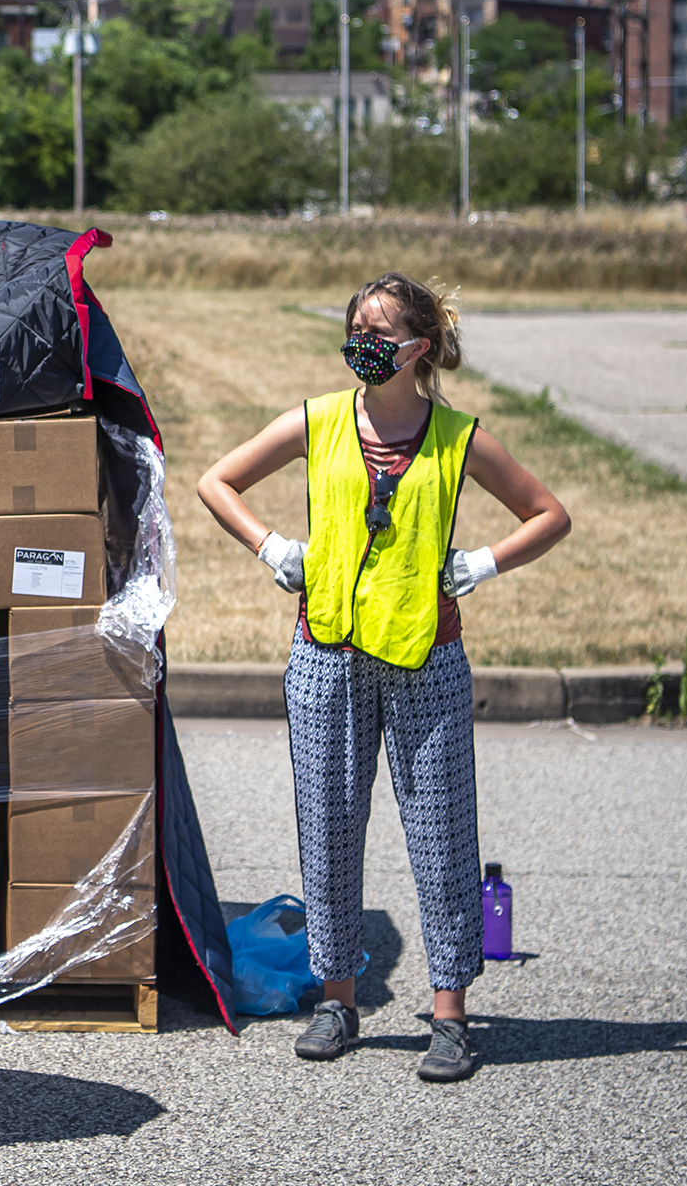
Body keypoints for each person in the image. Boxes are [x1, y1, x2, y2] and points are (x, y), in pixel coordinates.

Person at [196, 272, 569, 1083]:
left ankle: (449, 1014)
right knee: (328, 830)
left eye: (379, 333)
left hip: (426, 660)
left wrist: (483, 563)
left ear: (419, 350)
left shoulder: (459, 436)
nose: (361, 343)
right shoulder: (318, 420)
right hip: (325, 652)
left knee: (440, 836)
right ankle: (338, 1000)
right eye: (354, 328)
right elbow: (214, 482)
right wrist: (272, 548)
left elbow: (549, 515)